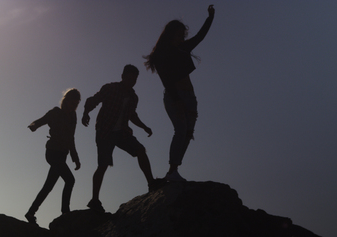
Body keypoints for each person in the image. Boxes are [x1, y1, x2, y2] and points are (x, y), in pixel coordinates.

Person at [143, 5, 215, 181]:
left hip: (191, 98)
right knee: (181, 130)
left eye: (182, 35)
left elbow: (200, 36)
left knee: (188, 133)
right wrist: (176, 100)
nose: (181, 38)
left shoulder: (183, 48)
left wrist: (210, 17)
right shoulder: (161, 54)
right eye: (178, 34)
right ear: (170, 34)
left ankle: (173, 171)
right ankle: (173, 169)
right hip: (175, 96)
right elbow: (166, 81)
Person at [82, 64, 165, 213]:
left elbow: (132, 115)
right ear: (123, 77)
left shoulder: (133, 97)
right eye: (129, 78)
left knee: (140, 150)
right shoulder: (110, 88)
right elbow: (93, 100)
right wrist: (86, 113)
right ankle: (94, 200)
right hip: (105, 131)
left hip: (122, 132)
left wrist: (144, 127)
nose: (132, 81)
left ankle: (151, 183)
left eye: (134, 79)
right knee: (103, 165)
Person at [25, 88, 82, 225]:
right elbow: (39, 121)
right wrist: (33, 126)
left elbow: (71, 138)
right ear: (66, 101)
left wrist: (75, 157)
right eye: (72, 103)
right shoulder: (55, 113)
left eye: (76, 104)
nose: (74, 106)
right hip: (52, 153)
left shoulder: (73, 117)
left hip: (63, 155)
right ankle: (65, 212)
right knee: (70, 180)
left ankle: (30, 212)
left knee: (48, 186)